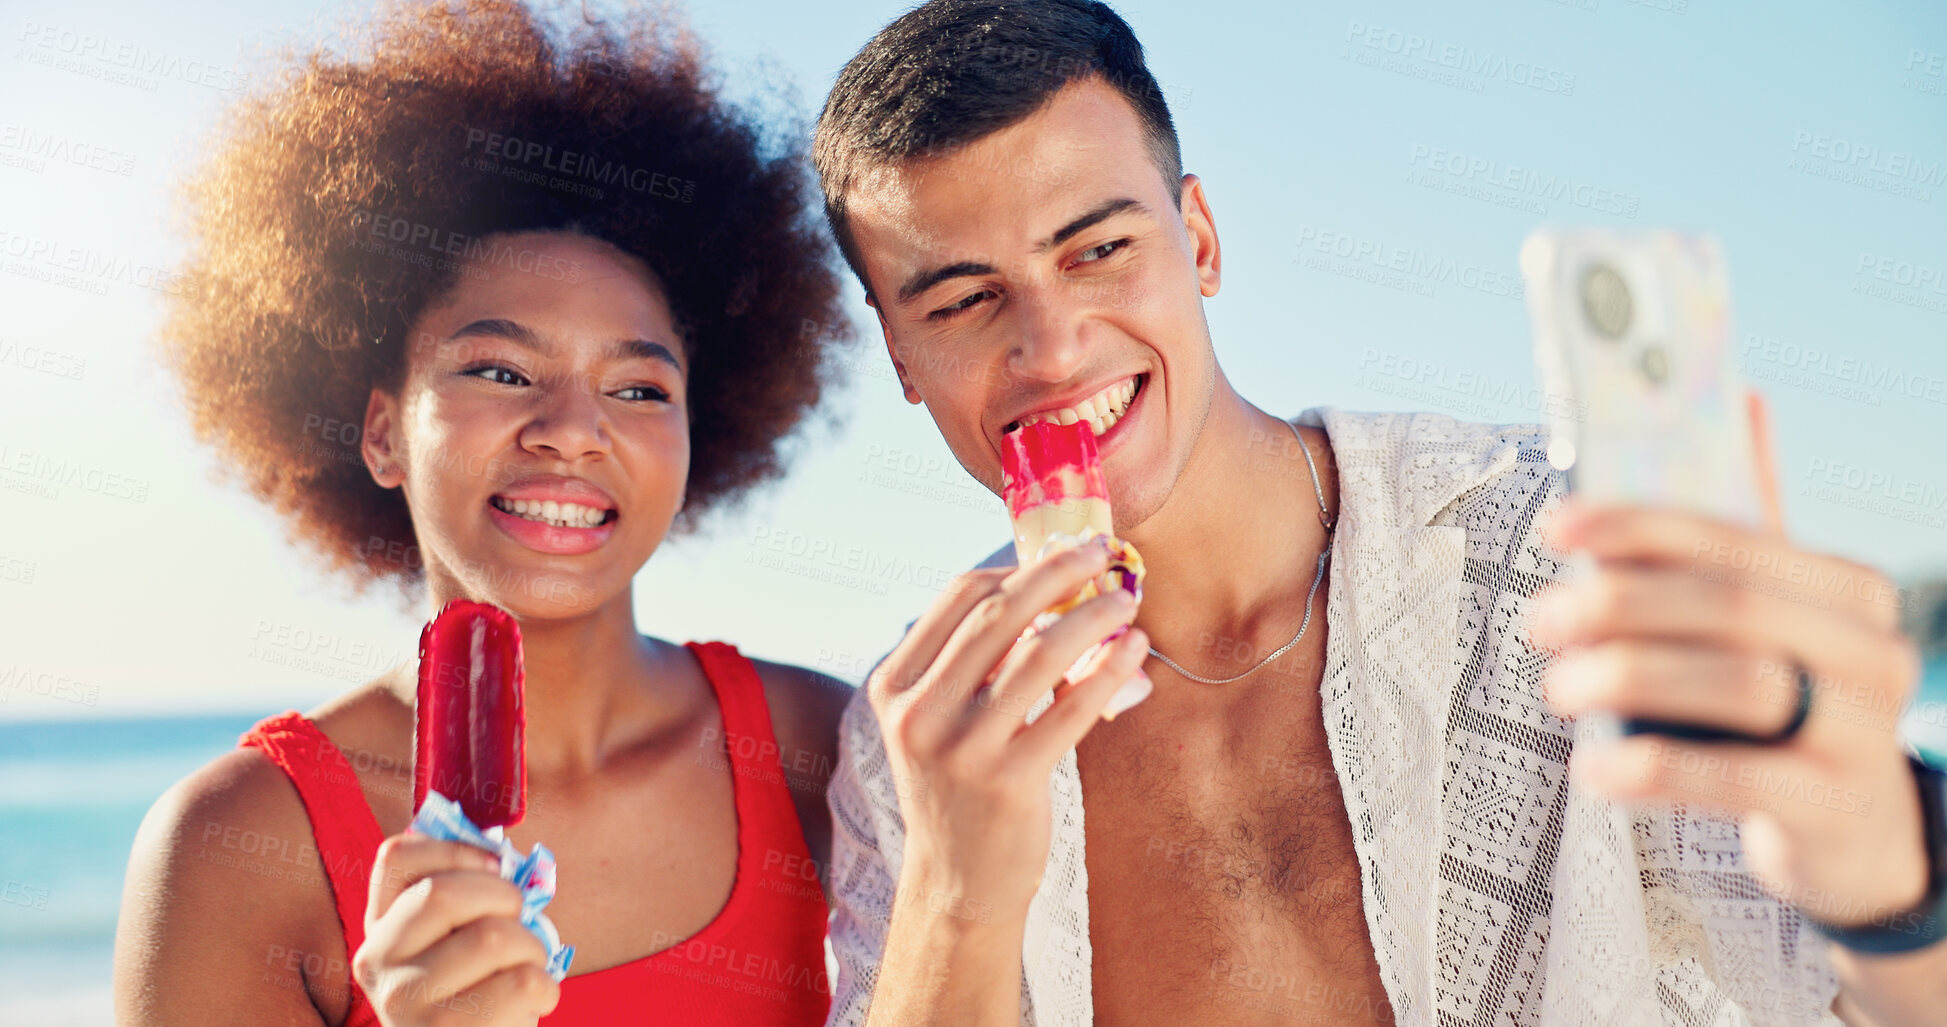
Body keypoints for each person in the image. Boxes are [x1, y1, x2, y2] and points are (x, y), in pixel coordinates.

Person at [808, 2, 1946, 1025]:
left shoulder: (1563, 555)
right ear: (902, 356)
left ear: (1198, 241)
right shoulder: (914, 738)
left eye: (1101, 249)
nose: (1052, 347)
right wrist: (956, 898)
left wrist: (1887, 865)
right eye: (963, 301)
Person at [113, 2, 853, 1024]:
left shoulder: (827, 749)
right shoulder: (235, 843)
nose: (570, 429)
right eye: (501, 370)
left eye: (638, 389)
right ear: (380, 434)